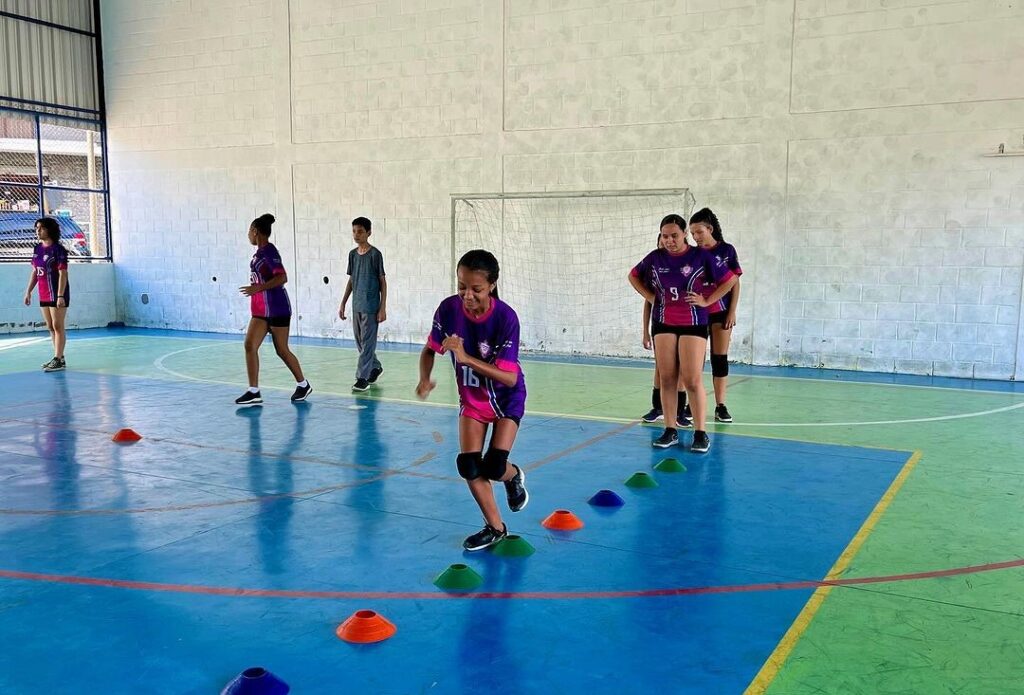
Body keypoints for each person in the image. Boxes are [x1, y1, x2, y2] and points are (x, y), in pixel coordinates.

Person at [416, 249, 529, 551]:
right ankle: (495, 527)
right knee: (468, 465)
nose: (467, 295)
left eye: (476, 289)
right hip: (472, 398)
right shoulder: (448, 310)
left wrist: (465, 358)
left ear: (491, 285)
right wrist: (425, 378)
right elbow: (430, 349)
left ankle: (512, 476)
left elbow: (509, 378)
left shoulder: (506, 318)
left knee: (494, 465)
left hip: (505, 398)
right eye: (461, 286)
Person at [628, 214, 738, 452]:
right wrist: (650, 296)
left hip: (693, 322)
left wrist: (707, 300)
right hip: (663, 322)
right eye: (665, 236)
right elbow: (633, 276)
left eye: (674, 236)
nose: (669, 241)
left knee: (691, 379)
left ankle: (700, 433)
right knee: (667, 378)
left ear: (684, 234)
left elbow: (730, 280)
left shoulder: (701, 256)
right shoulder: (655, 258)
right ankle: (670, 430)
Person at [235, 214, 312, 405]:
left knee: (282, 350)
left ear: (255, 231)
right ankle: (253, 391)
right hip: (260, 311)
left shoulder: (269, 252)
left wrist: (258, 288)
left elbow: (282, 277)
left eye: (249, 231)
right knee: (249, 345)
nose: (248, 235)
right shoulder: (258, 254)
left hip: (277, 308)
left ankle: (303, 384)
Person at [690, 208, 743, 423]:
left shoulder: (727, 250)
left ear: (710, 229)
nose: (696, 237)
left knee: (719, 359)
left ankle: (721, 405)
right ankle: (691, 404)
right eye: (692, 234)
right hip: (698, 314)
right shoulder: (694, 254)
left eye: (699, 232)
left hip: (721, 312)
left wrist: (732, 311)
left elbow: (734, 282)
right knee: (695, 360)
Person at [641, 234, 691, 427]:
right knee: (661, 367)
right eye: (662, 245)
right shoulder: (655, 271)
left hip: (684, 324)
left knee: (682, 368)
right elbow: (648, 303)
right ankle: (658, 408)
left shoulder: (687, 268)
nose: (666, 247)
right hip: (660, 324)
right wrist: (645, 332)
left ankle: (680, 411)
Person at [339, 216, 387, 392]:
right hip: (356, 305)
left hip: (371, 306)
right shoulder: (352, 255)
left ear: (369, 233)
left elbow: (382, 282)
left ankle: (362, 378)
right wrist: (343, 303)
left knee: (367, 343)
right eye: (354, 231)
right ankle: (375, 366)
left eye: (360, 231)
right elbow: (352, 280)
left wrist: (382, 307)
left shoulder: (375, 255)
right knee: (360, 342)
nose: (356, 234)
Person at [23, 217, 70, 372]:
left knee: (57, 325)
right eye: (36, 228)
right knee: (50, 326)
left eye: (41, 228)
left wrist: (60, 295)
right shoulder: (37, 249)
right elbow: (35, 272)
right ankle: (59, 357)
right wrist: (29, 291)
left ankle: (57, 358)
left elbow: (63, 274)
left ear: (49, 230)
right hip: (43, 293)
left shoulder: (58, 249)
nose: (38, 231)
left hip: (57, 293)